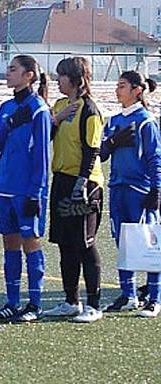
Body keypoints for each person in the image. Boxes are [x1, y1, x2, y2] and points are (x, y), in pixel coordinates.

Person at [0, 55, 51, 323]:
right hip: (5, 188)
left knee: (30, 243)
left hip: (27, 190)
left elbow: (42, 157)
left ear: (29, 76)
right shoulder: (6, 107)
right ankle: (12, 302)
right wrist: (8, 123)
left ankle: (34, 304)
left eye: (14, 70)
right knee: (9, 244)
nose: (7, 74)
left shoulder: (39, 109)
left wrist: (36, 193)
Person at [43, 57, 106, 323]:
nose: (58, 80)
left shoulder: (90, 110)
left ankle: (94, 304)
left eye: (62, 76)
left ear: (76, 79)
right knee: (65, 243)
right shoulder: (59, 106)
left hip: (85, 184)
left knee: (84, 243)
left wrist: (81, 184)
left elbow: (93, 150)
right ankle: (71, 301)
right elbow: (46, 137)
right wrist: (55, 120)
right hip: (61, 179)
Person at [101, 71, 161, 318]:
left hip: (139, 190)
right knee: (123, 242)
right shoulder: (113, 120)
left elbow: (154, 157)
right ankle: (128, 295)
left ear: (137, 90)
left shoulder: (146, 121)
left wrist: (157, 189)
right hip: (117, 188)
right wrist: (113, 141)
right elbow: (101, 152)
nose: (118, 90)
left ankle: (155, 298)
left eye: (122, 86)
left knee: (148, 242)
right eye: (117, 86)